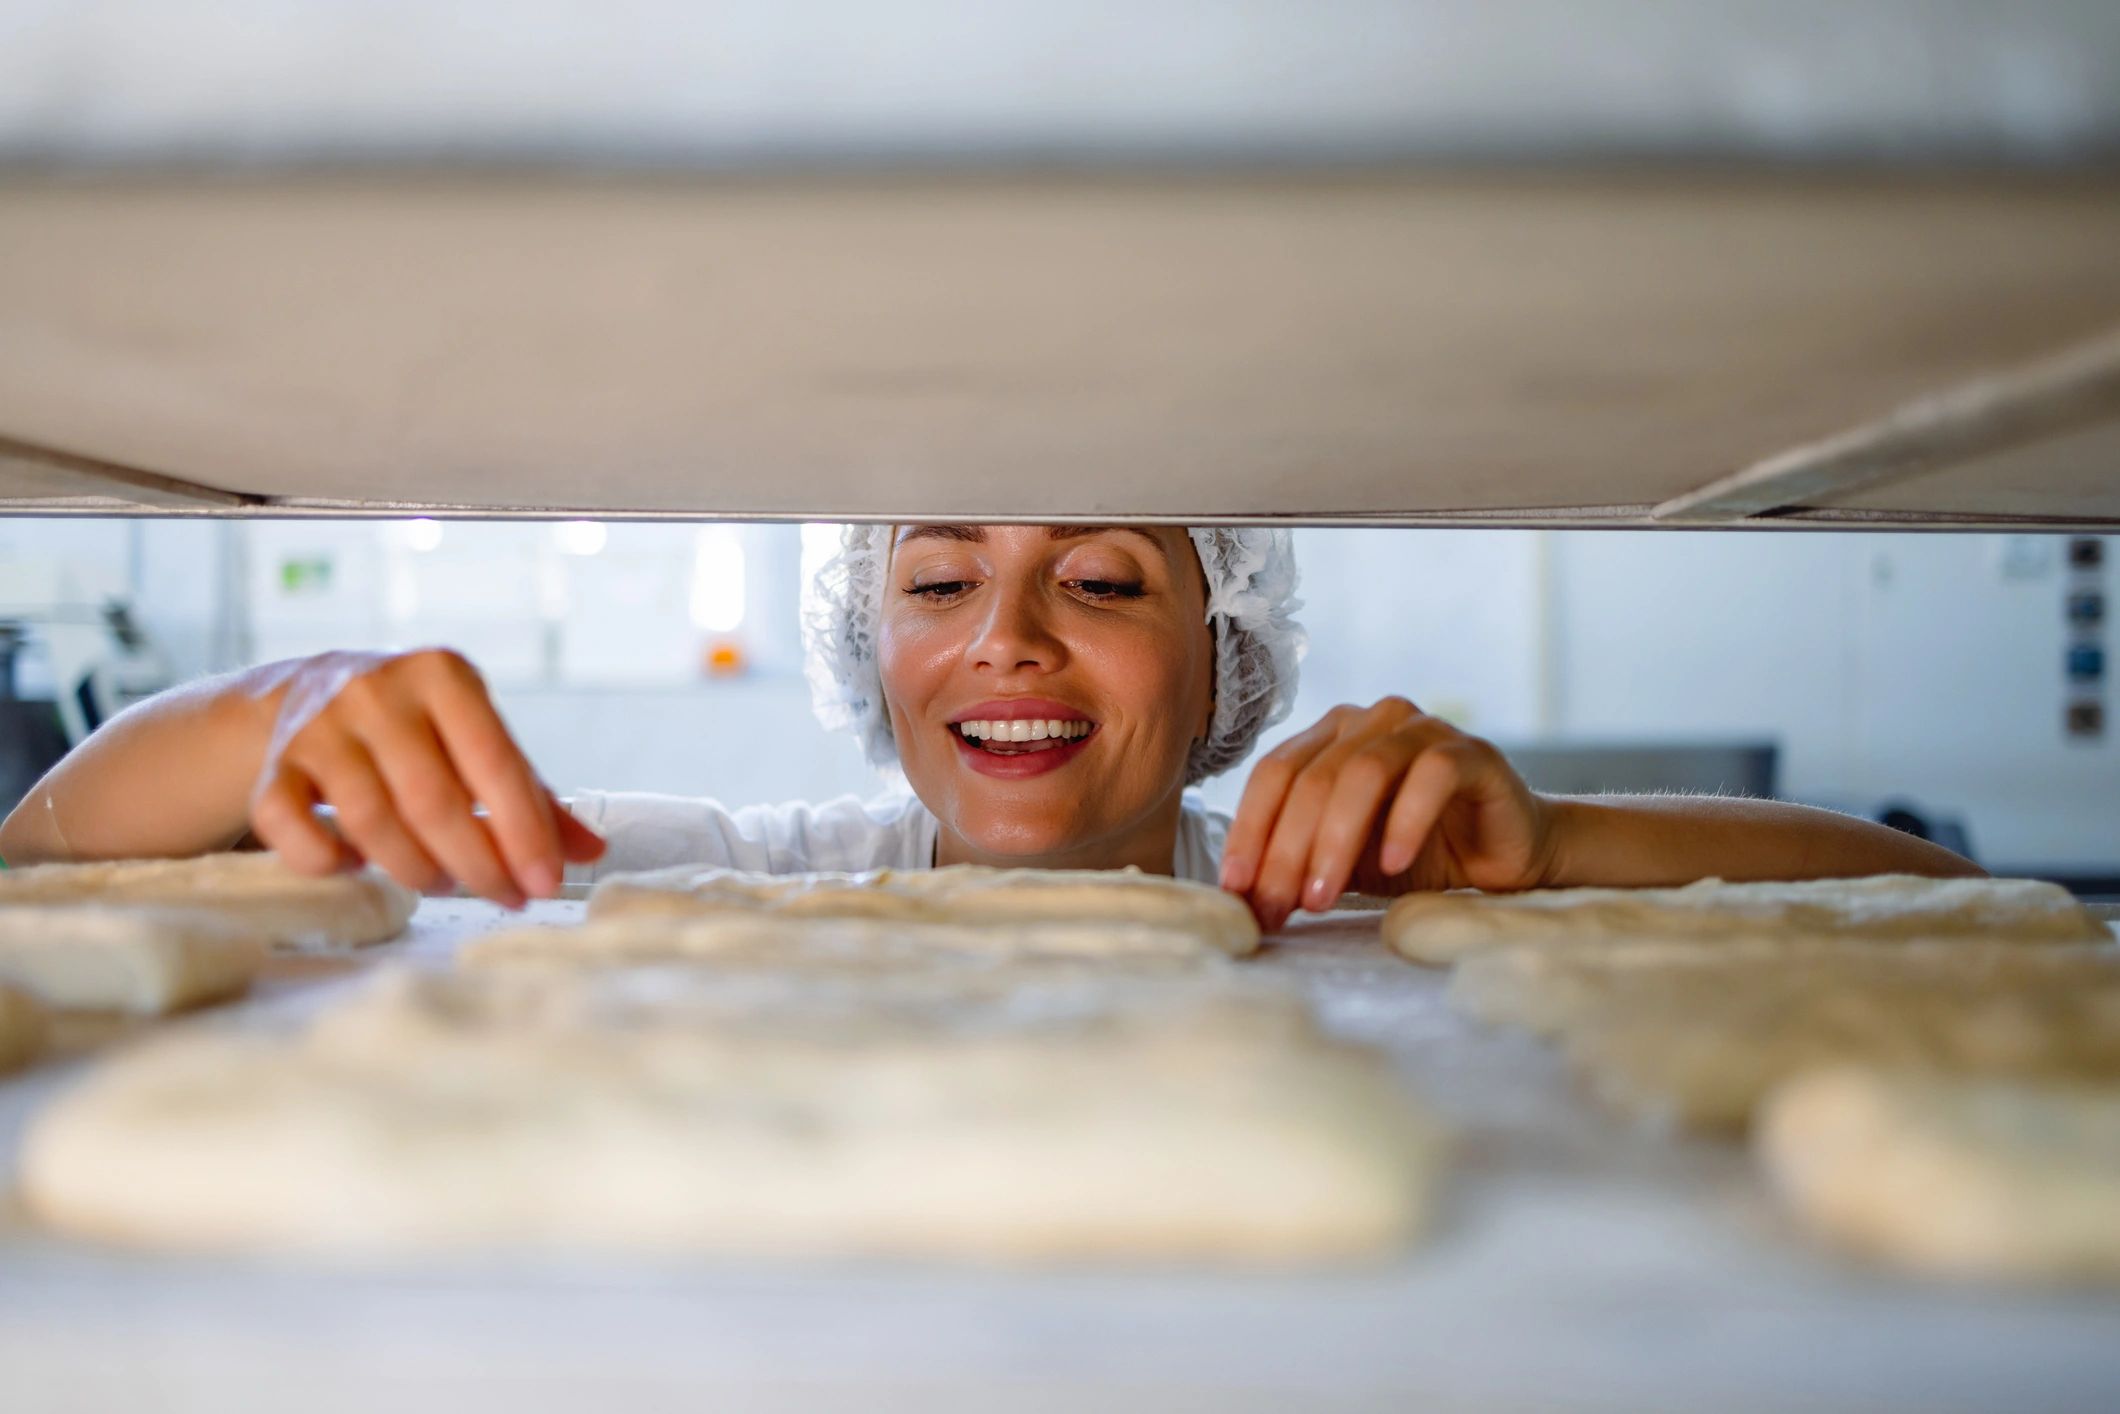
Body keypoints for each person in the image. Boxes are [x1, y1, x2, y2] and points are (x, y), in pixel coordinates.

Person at [0, 524, 1979, 929]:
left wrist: (1536, 839)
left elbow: (1932, 899)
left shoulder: (1361, 913)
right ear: (868, 649)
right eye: (938, 583)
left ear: (1230, 659)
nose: (1008, 640)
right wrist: (282, 707)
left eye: (1105, 582)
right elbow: (45, 858)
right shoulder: (742, 892)